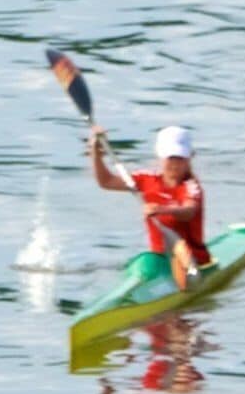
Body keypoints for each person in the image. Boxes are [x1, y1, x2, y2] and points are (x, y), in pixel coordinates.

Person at [87, 120, 213, 289]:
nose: (175, 163)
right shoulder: (146, 179)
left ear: (190, 157)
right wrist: (96, 153)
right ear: (160, 156)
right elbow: (106, 182)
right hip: (160, 260)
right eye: (171, 157)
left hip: (192, 263)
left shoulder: (191, 186)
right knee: (143, 261)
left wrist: (162, 209)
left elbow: (189, 210)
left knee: (149, 263)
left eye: (180, 158)